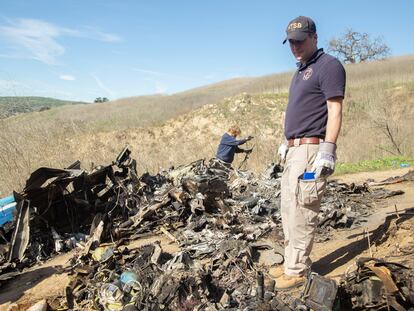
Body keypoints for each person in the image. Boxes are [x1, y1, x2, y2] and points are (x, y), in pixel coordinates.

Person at [269, 16, 346, 290]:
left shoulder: (329, 66)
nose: (295, 46)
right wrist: (285, 140)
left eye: (300, 41)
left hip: (312, 149)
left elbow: (334, 109)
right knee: (289, 210)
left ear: (314, 37)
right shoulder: (300, 71)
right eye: (291, 42)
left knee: (303, 209)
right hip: (293, 150)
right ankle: (291, 262)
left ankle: (297, 270)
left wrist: (328, 149)